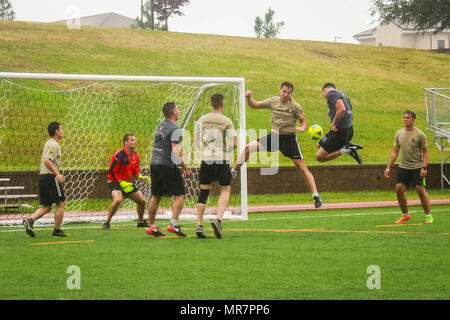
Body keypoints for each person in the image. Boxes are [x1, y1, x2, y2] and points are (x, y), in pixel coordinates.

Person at [231, 82, 322, 208]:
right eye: (284, 91)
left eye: (288, 93)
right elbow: (255, 105)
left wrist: (303, 127)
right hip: (274, 137)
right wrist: (248, 97)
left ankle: (316, 196)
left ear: (291, 93)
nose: (285, 94)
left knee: (301, 166)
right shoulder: (273, 101)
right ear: (280, 90)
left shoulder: (295, 106)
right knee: (248, 148)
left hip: (289, 139)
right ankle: (234, 170)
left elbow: (303, 120)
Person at [145, 102, 192, 237]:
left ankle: (151, 226)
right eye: (177, 109)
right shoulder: (175, 129)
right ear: (173, 112)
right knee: (180, 195)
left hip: (154, 164)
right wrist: (185, 168)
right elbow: (176, 151)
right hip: (167, 165)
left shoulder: (160, 126)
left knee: (156, 195)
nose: (179, 111)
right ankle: (173, 223)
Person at [194, 94, 237, 239]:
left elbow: (196, 140)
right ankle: (218, 220)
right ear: (222, 104)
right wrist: (226, 152)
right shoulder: (226, 121)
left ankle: (199, 225)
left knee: (204, 191)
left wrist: (204, 151)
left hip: (206, 159)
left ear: (211, 104)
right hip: (221, 159)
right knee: (225, 189)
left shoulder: (202, 119)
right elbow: (234, 143)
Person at [384, 111, 433, 224]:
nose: (405, 119)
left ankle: (428, 216)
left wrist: (424, 168)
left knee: (420, 190)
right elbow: (395, 152)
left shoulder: (420, 135)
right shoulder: (399, 133)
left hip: (417, 167)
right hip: (403, 167)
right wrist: (388, 167)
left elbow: (426, 152)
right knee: (399, 189)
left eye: (408, 117)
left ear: (413, 120)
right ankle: (405, 215)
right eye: (404, 117)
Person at [22, 122, 69, 237]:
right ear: (56, 131)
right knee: (61, 203)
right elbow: (47, 160)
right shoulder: (54, 145)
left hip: (43, 177)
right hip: (50, 177)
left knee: (47, 206)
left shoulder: (49, 143)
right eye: (61, 129)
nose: (63, 131)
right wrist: (57, 174)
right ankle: (57, 231)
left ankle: (30, 221)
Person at [103, 134, 150, 230]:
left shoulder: (135, 156)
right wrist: (120, 181)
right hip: (115, 182)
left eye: (135, 140)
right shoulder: (118, 155)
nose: (134, 142)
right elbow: (112, 171)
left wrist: (140, 176)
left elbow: (135, 170)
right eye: (132, 140)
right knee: (118, 200)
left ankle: (141, 222)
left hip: (127, 184)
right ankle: (106, 222)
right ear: (126, 143)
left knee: (142, 201)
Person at [316, 83, 363, 165]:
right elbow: (349, 112)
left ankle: (346, 149)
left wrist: (333, 124)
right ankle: (347, 146)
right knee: (319, 144)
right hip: (348, 131)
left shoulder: (330, 94)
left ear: (325, 91)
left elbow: (342, 109)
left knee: (319, 157)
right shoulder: (343, 95)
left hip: (340, 133)